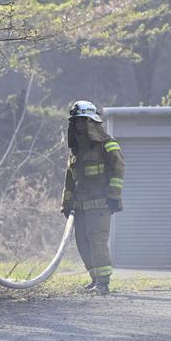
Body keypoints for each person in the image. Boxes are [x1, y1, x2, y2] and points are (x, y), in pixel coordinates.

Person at [61, 100, 124, 296]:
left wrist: (114, 195)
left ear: (92, 122)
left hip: (100, 204)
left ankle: (103, 283)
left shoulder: (107, 144)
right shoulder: (76, 151)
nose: (79, 125)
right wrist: (66, 203)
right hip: (80, 207)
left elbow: (118, 168)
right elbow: (70, 180)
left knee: (97, 242)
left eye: (83, 121)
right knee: (82, 243)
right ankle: (95, 279)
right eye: (76, 122)